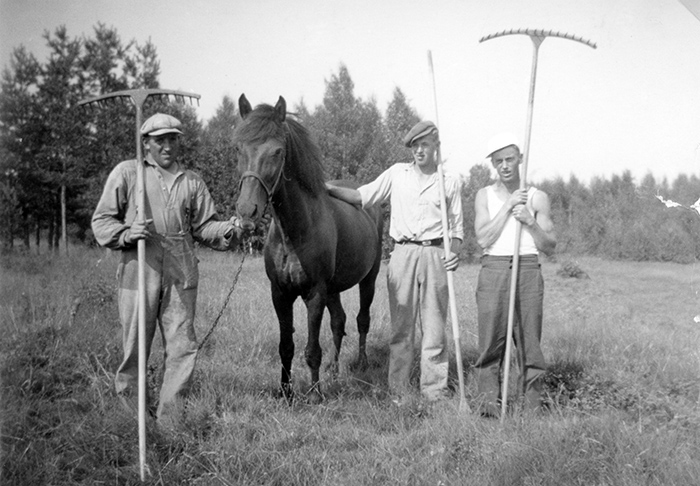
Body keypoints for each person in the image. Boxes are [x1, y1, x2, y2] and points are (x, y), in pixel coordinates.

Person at [92, 113, 246, 425]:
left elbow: (204, 227)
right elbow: (101, 221)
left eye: (172, 139)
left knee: (183, 348)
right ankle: (132, 421)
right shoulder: (127, 173)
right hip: (139, 264)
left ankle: (170, 421)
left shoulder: (192, 181)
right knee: (135, 345)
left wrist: (228, 229)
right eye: (159, 140)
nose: (167, 146)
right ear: (145, 144)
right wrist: (126, 234)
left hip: (181, 267)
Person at [326, 121, 463, 402]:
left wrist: (454, 251)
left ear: (436, 145)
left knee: (435, 329)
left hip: (436, 255)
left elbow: (458, 230)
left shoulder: (449, 181)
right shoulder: (396, 174)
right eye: (415, 146)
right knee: (402, 330)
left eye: (424, 144)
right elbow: (360, 196)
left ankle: (434, 392)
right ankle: (399, 392)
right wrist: (326, 188)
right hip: (403, 255)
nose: (419, 151)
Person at [473, 132, 556, 417]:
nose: (505, 165)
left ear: (520, 158)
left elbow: (549, 246)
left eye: (509, 159)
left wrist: (530, 221)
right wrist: (508, 207)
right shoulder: (483, 195)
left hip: (528, 269)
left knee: (529, 344)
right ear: (493, 164)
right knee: (489, 345)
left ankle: (530, 411)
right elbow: (483, 239)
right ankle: (489, 411)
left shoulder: (537, 197)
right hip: (493, 268)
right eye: (499, 161)